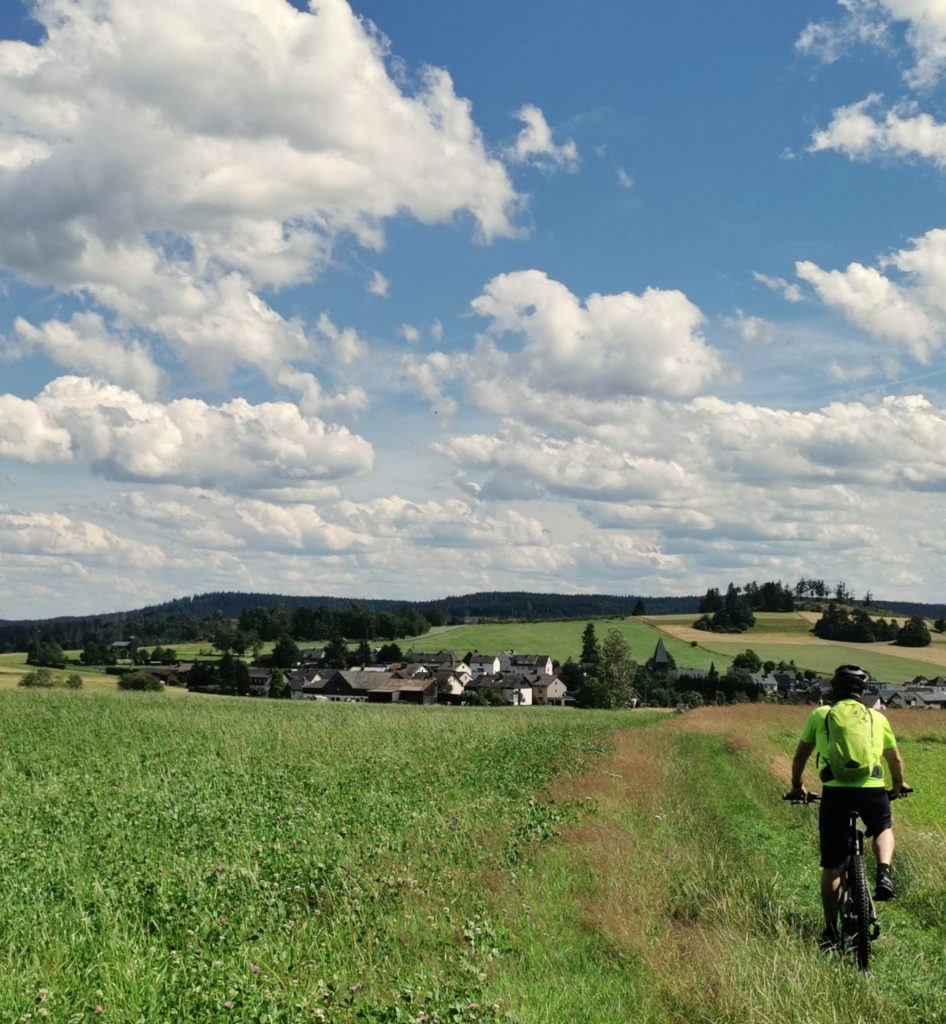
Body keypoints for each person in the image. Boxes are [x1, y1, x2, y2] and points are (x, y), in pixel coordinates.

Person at [788, 664, 910, 949]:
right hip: (872, 791)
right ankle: (883, 872)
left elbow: (801, 755)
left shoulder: (821, 714)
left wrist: (797, 785)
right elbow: (895, 760)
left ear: (834, 690)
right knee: (882, 827)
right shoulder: (877, 718)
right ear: (863, 693)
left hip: (835, 794)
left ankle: (830, 931)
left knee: (831, 866)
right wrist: (899, 785)